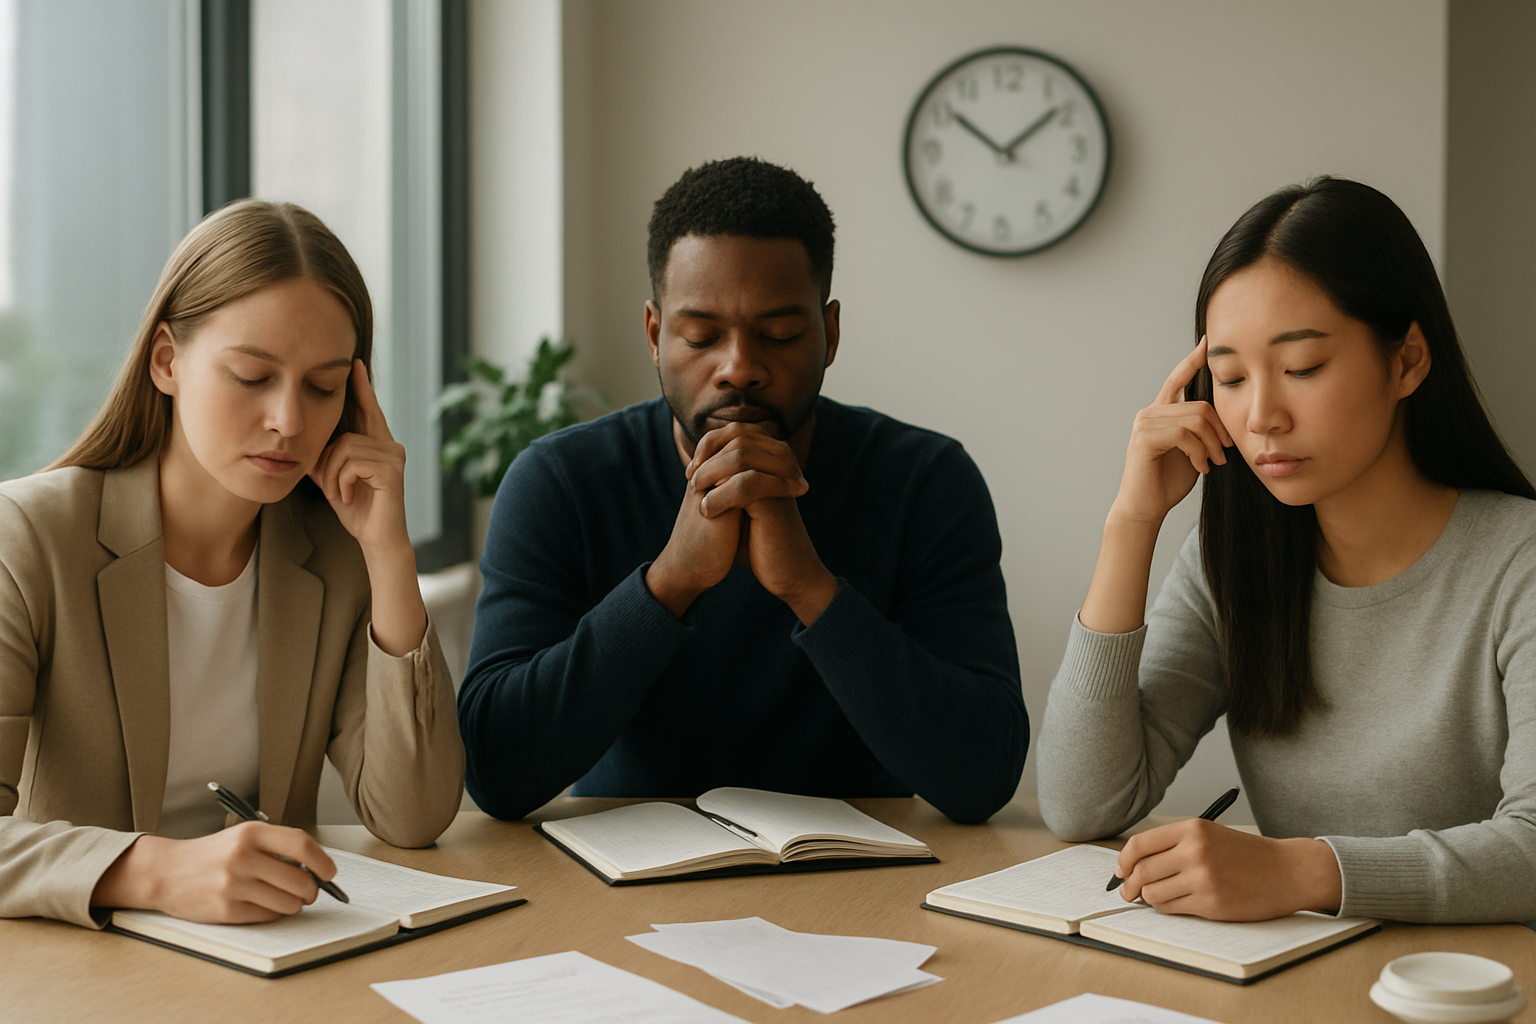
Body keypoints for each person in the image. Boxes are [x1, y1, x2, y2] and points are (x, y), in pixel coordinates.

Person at [459, 156, 1027, 823]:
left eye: (779, 335)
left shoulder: (924, 481)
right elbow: (496, 773)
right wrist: (668, 582)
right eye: (701, 336)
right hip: (626, 881)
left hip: (869, 879)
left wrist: (809, 586)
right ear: (654, 334)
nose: (739, 369)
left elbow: (981, 777)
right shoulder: (561, 481)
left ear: (830, 333)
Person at [1036, 177, 1536, 924]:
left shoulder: (1518, 561)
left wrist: (1301, 870)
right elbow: (1083, 803)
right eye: (1231, 378)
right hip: (1290, 981)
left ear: (1406, 361)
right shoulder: (1231, 560)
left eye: (1301, 368)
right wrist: (1131, 522)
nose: (1261, 415)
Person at [0, 200, 464, 929]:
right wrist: (156, 871)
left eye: (323, 386)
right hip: (79, 975)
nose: (289, 420)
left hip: (268, 969)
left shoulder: (335, 556)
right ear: (166, 361)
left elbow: (413, 814)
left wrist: (388, 551)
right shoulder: (27, 539)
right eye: (252, 375)